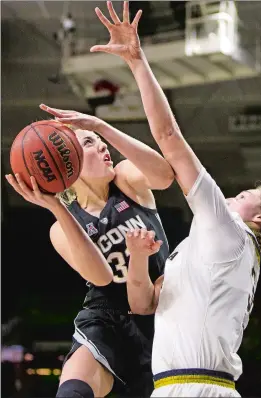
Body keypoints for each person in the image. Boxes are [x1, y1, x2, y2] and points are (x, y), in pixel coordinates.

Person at [90, 2, 261, 396]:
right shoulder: (200, 252)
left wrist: (137, 62)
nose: (229, 196)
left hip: (197, 388)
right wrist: (137, 257)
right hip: (176, 386)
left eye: (241, 196)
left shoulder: (230, 232)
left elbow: (169, 137)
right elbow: (143, 304)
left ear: (260, 219)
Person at [6, 104, 174, 397]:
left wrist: (102, 127)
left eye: (101, 142)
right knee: (72, 391)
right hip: (106, 315)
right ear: (68, 159)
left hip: (162, 313)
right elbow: (100, 277)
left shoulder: (125, 179)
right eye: (89, 143)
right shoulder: (61, 227)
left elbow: (165, 176)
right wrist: (57, 207)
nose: (103, 147)